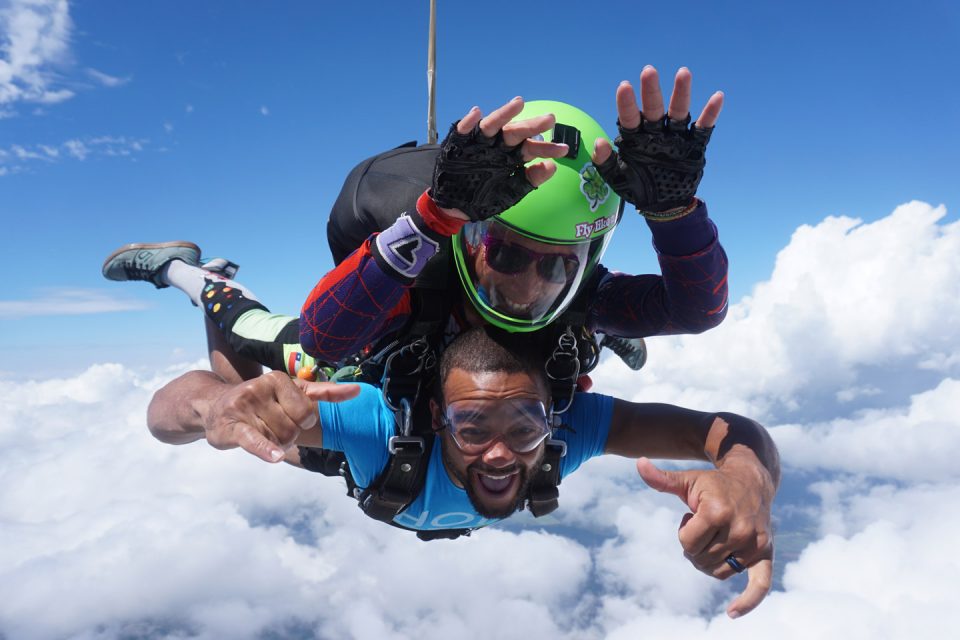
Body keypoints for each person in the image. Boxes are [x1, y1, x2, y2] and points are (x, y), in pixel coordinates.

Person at [147, 325, 780, 619]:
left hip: (398, 475)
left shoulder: (571, 426)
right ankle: (206, 278)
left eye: (526, 428)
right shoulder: (376, 422)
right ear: (435, 415)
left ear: (552, 417)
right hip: (362, 433)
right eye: (473, 428)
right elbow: (163, 415)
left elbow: (726, 432)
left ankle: (595, 333)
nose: (502, 454)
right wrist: (214, 407)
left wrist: (749, 479)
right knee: (250, 381)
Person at [299, 65, 728, 372]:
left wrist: (674, 216)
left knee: (578, 320)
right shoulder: (425, 275)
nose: (526, 289)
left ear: (590, 256)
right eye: (505, 254)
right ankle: (225, 296)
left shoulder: (583, 290)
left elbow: (698, 313)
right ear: (469, 235)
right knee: (289, 354)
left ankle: (601, 330)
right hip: (419, 249)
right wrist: (434, 220)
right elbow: (324, 342)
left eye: (558, 264)